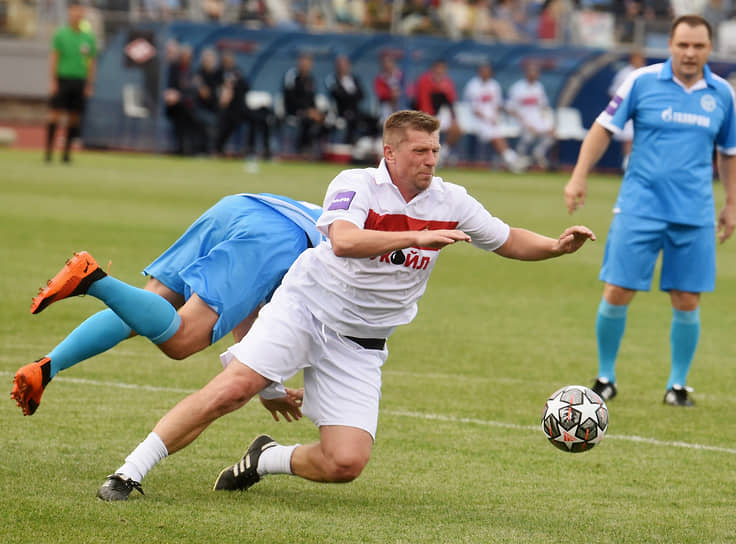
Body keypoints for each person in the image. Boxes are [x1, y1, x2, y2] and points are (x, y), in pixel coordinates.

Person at [90, 109, 594, 501]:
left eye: (435, 151)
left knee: (345, 464)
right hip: (306, 309)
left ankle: (263, 459)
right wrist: (421, 236)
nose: (430, 160)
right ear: (390, 154)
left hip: (362, 342)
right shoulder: (354, 184)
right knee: (233, 390)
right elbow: (344, 241)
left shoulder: (451, 199)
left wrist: (554, 246)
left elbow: (506, 239)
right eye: (420, 151)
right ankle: (128, 473)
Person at [563, 15, 736, 407]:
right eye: (683, 45)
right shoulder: (642, 82)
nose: (690, 53)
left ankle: (677, 386)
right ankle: (605, 377)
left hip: (695, 213)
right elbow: (603, 127)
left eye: (698, 46)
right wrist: (579, 176)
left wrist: (730, 204)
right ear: (671, 45)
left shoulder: (722, 94)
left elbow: (730, 152)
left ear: (710, 49)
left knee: (687, 299)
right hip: (640, 207)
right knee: (618, 290)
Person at [10, 194, 323, 417]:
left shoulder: (340, 218)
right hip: (278, 237)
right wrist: (268, 387)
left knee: (142, 310)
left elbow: (249, 312)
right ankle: (92, 279)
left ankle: (48, 366)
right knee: (182, 339)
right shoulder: (349, 270)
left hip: (241, 206)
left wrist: (267, 386)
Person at [44, 1, 97, 164]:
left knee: (74, 117)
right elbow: (54, 58)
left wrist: (89, 84)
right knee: (55, 115)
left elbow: (91, 62)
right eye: (74, 12)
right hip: (63, 79)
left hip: (79, 80)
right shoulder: (61, 34)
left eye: (80, 12)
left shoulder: (88, 37)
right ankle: (48, 152)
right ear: (69, 13)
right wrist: (53, 81)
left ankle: (66, 154)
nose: (77, 15)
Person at [463, 62, 528, 173]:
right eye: (484, 71)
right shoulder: (473, 85)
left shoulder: (494, 85)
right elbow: (474, 109)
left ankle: (511, 159)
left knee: (497, 132)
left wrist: (495, 117)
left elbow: (497, 105)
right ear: (479, 72)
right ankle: (512, 160)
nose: (486, 73)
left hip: (492, 120)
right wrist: (489, 119)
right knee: (495, 134)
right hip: (477, 120)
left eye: (488, 71)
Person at [214, 51, 273, 159]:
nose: (229, 61)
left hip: (241, 107)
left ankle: (253, 148)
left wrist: (234, 83)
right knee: (227, 124)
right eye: (226, 59)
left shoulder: (236, 72)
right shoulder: (219, 73)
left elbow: (246, 86)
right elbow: (220, 94)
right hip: (229, 110)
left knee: (259, 119)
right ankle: (218, 148)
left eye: (230, 59)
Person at [507, 60, 556, 169]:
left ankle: (538, 153)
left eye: (535, 72)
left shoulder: (539, 87)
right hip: (521, 120)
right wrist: (525, 123)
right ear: (526, 73)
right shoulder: (518, 87)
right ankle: (519, 160)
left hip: (537, 120)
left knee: (551, 135)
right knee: (528, 135)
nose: (533, 74)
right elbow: (510, 109)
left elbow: (544, 107)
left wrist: (549, 124)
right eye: (531, 71)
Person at [414, 59, 462, 162]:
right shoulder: (424, 80)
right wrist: (429, 120)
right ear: (433, 69)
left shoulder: (447, 83)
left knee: (457, 130)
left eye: (443, 69)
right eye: (438, 68)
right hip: (423, 115)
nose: (440, 71)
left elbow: (451, 103)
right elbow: (423, 102)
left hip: (439, 114)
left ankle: (441, 155)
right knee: (426, 135)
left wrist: (454, 119)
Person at [325, 54, 377, 145]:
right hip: (340, 112)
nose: (342, 67)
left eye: (345, 65)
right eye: (340, 65)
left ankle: (370, 144)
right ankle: (348, 144)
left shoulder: (354, 79)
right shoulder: (332, 80)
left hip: (355, 111)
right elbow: (338, 95)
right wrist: (351, 95)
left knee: (373, 120)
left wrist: (350, 95)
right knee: (351, 120)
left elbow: (361, 95)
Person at [282, 52, 327, 156]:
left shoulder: (311, 80)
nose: (305, 65)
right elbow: (290, 98)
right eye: (303, 63)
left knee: (325, 120)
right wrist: (308, 111)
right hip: (293, 110)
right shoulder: (291, 76)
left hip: (308, 111)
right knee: (308, 120)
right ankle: (302, 149)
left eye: (308, 63)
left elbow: (312, 99)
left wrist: (315, 111)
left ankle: (321, 151)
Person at [607, 50, 645, 170]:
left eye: (641, 59)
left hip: (643, 111)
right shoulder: (624, 74)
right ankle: (627, 164)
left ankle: (638, 163)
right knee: (628, 137)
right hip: (627, 110)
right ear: (632, 59)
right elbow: (613, 92)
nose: (639, 61)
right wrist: (621, 108)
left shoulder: (646, 73)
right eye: (637, 58)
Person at [373, 53, 404, 125]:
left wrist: (400, 93)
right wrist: (391, 94)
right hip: (386, 106)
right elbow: (380, 93)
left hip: (401, 104)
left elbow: (409, 89)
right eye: (384, 62)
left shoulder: (401, 75)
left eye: (389, 61)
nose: (387, 64)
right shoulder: (380, 79)